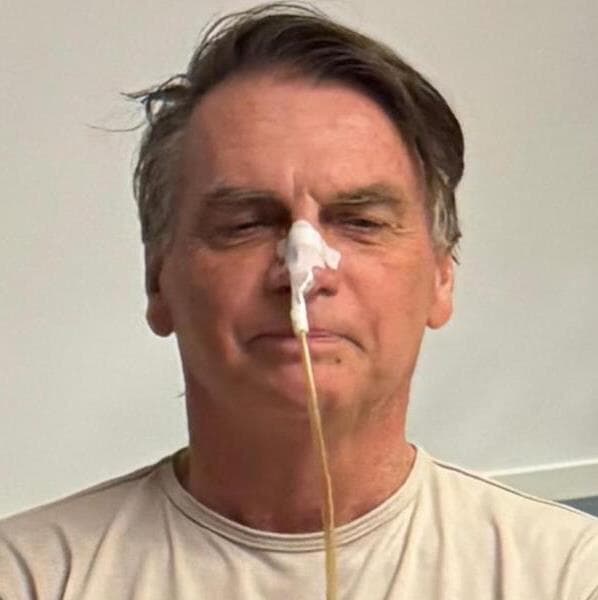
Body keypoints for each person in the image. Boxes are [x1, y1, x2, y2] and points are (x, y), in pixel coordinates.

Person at [1, 3, 597, 599]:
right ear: (159, 281)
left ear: (442, 278)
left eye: (361, 222)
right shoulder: (29, 577)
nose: (303, 272)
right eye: (245, 224)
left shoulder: (566, 575)